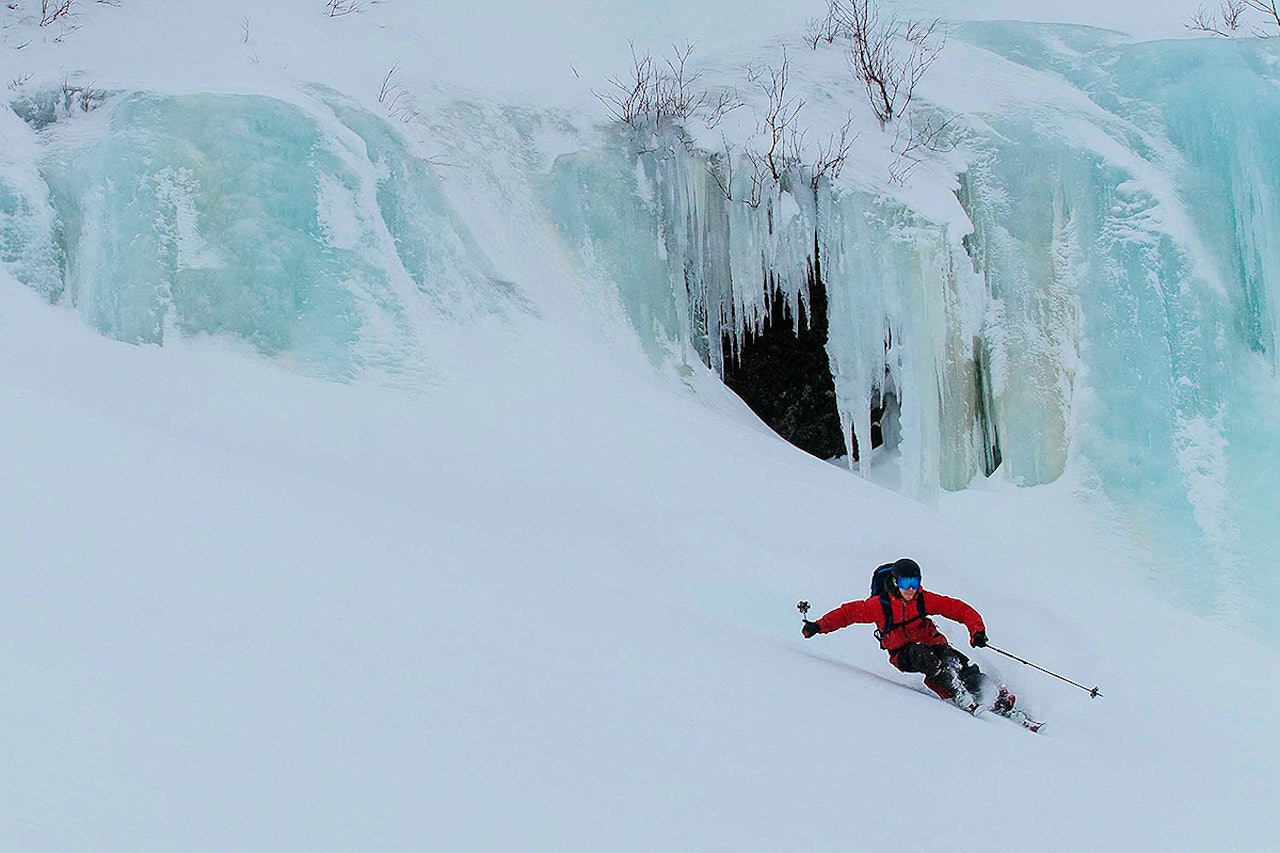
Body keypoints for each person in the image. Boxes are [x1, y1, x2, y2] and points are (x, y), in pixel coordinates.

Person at [801, 557, 1014, 715]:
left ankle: (995, 696)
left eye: (915, 582)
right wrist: (818, 626)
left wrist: (976, 630)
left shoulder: (923, 599)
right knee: (924, 655)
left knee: (957, 662)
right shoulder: (879, 606)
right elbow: (846, 614)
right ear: (895, 583)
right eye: (905, 583)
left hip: (932, 641)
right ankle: (955, 691)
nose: (910, 589)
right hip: (903, 653)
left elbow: (957, 608)